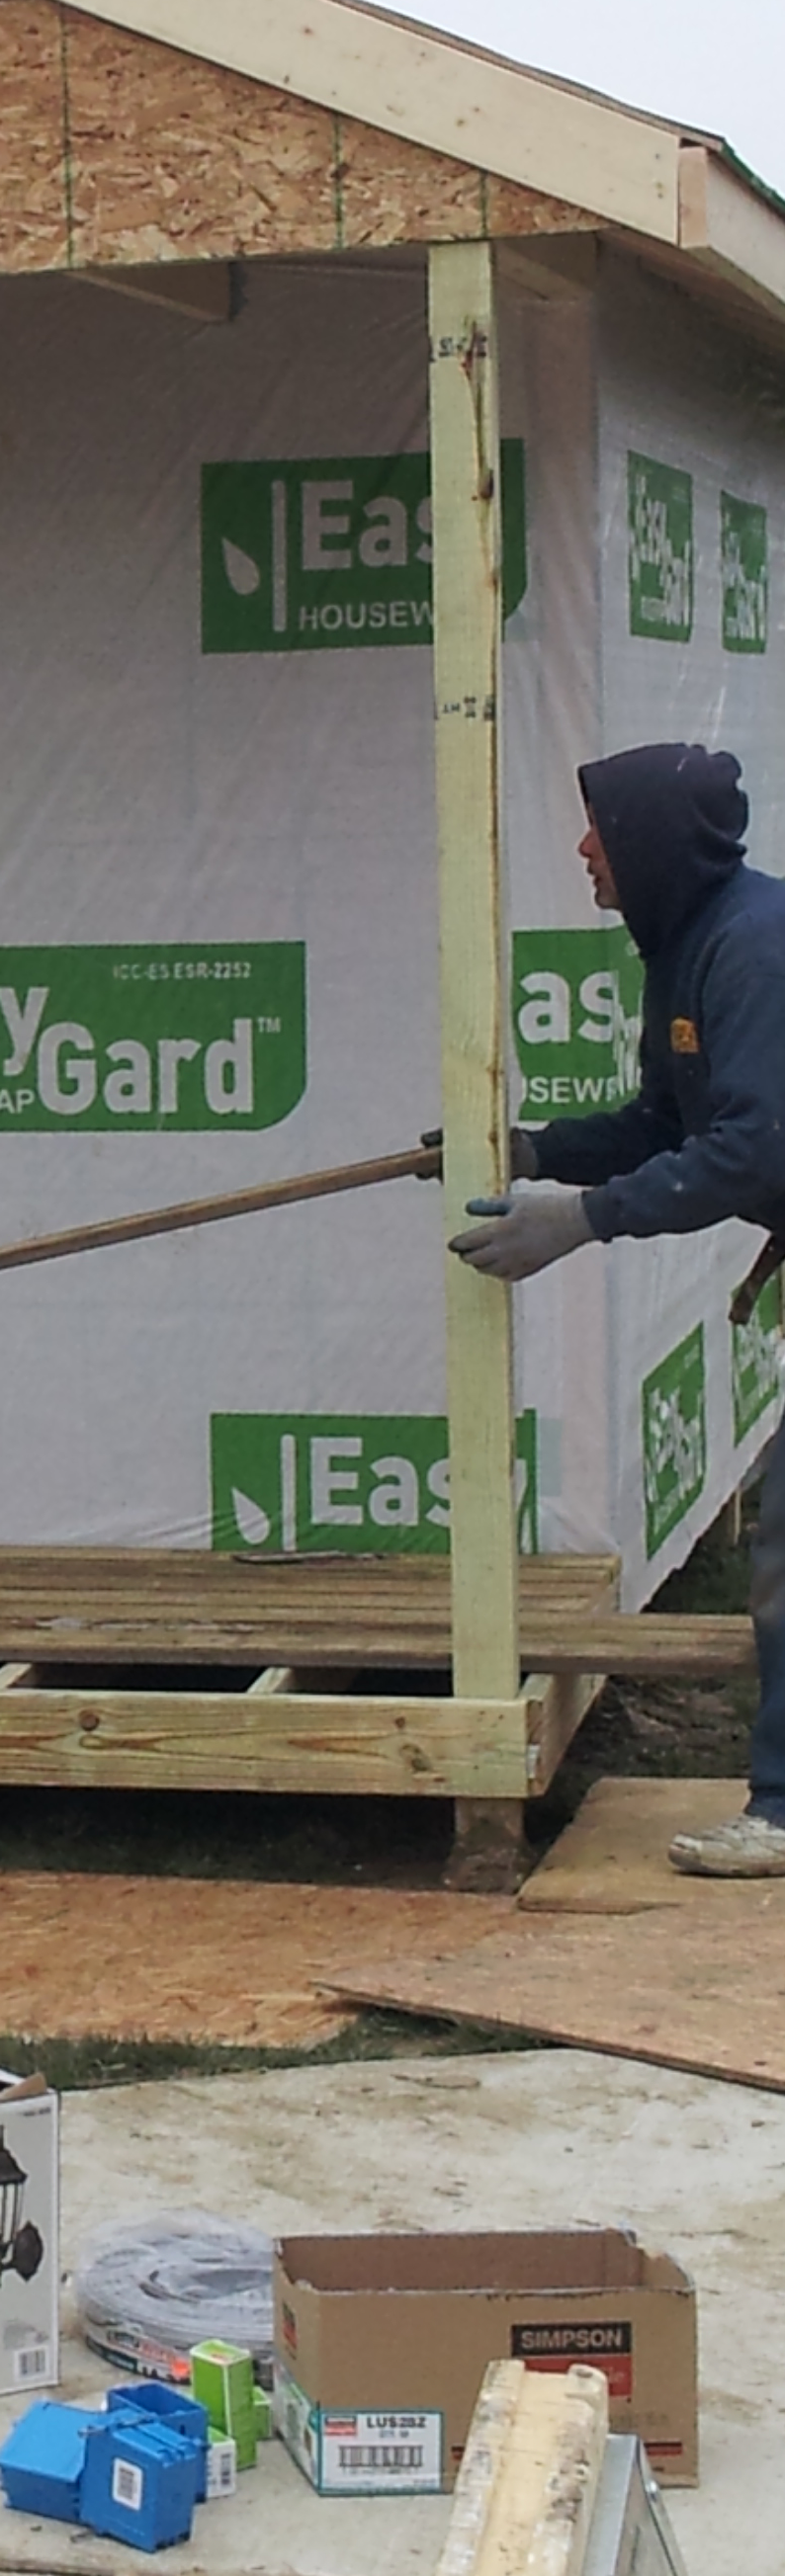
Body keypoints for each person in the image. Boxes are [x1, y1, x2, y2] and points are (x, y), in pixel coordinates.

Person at [449, 741, 785, 1875]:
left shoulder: (752, 947)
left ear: (653, 844)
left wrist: (580, 1221)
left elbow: (751, 1150)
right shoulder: (688, 944)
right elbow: (666, 1124)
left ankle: (783, 1811)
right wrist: (534, 1151)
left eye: (601, 828)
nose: (585, 847)